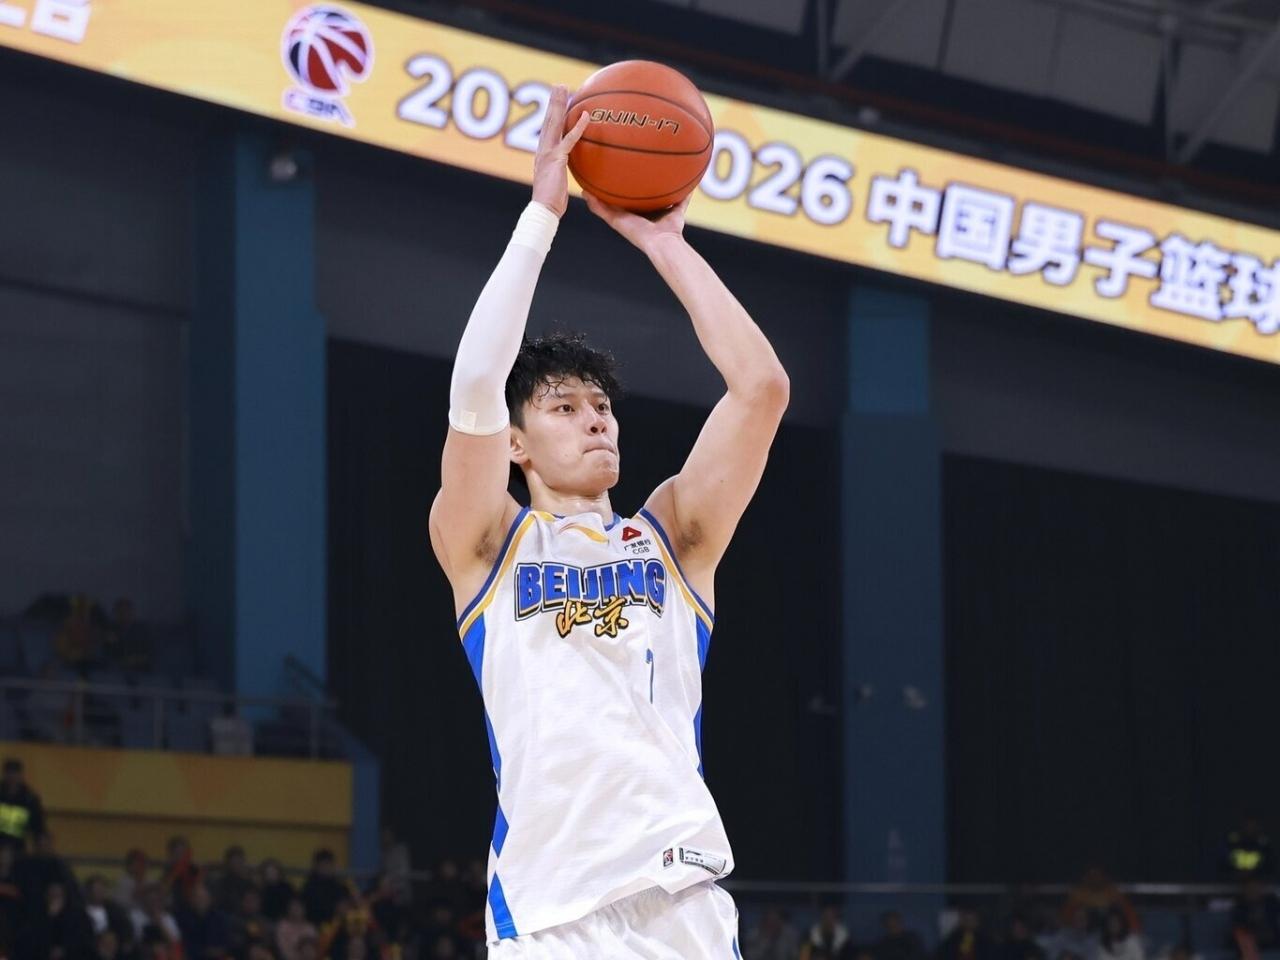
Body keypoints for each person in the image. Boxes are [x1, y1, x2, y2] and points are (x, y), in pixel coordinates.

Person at [428, 84, 788, 958]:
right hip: (550, 915)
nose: (595, 420)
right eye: (564, 407)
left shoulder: (672, 538)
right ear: (516, 443)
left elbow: (762, 388)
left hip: (681, 901)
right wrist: (542, 217)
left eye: (601, 406)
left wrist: (665, 243)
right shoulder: (489, 544)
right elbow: (475, 388)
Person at [0, 757, 46, 853]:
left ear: (21, 775)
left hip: (18, 848)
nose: (12, 777)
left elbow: (38, 826)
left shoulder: (29, 799)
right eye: (9, 773)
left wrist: (40, 845)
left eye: (15, 773)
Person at [1230, 878, 1280, 956]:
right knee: (1244, 939)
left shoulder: (1271, 903)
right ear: (1245, 891)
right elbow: (1239, 928)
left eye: (1256, 888)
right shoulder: (1240, 907)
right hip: (1249, 940)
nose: (1253, 891)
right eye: (1250, 889)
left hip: (1272, 939)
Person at [301, 849, 348, 927]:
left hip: (337, 926)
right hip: (314, 926)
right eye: (324, 864)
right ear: (316, 866)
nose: (327, 868)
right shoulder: (309, 887)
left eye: (329, 864)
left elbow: (344, 908)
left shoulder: (339, 886)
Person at [275, 896, 318, 960]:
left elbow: (315, 948)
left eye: (298, 907)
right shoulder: (282, 926)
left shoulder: (310, 927)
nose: (295, 910)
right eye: (293, 907)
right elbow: (282, 950)